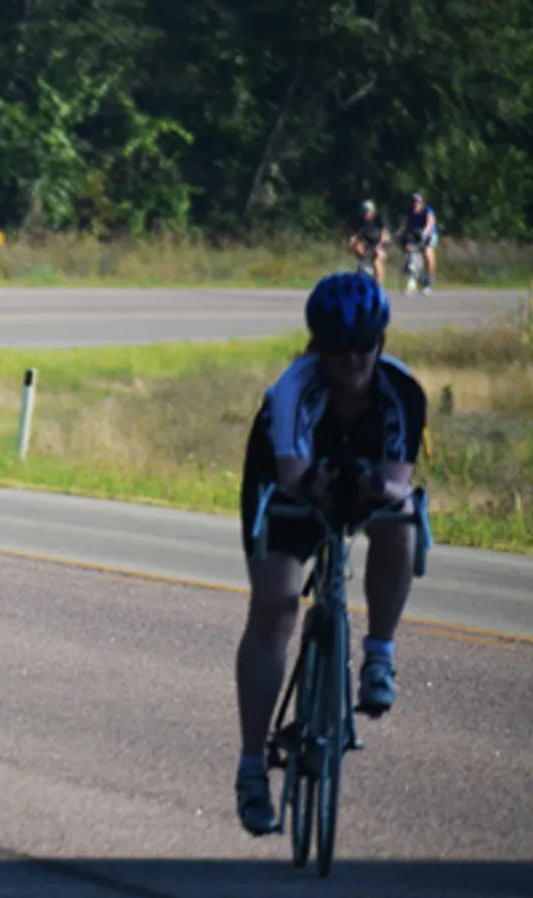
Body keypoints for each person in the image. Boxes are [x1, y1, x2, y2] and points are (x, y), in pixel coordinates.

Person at [232, 271, 424, 836]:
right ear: (319, 347)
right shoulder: (296, 389)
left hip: (360, 478)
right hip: (284, 482)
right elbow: (293, 474)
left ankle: (380, 655)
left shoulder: (401, 392)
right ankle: (250, 770)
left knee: (401, 520)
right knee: (277, 606)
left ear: (380, 342)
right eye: (338, 349)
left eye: (365, 345)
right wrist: (331, 479)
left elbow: (397, 481)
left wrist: (369, 485)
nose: (353, 360)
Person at [397, 192, 439, 292]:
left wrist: (424, 234)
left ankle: (429, 279)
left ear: (421, 202)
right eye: (413, 202)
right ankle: (410, 272)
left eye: (417, 202)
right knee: (407, 249)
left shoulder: (427, 210)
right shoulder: (408, 211)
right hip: (414, 233)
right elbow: (403, 224)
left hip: (429, 234)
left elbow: (430, 223)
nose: (415, 204)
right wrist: (400, 231)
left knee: (427, 252)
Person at [348, 199, 388, 285]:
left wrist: (380, 245)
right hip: (369, 243)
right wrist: (352, 240)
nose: (366, 214)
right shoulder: (361, 222)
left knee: (376, 261)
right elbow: (357, 234)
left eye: (368, 211)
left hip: (381, 242)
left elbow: (383, 231)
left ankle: (378, 285)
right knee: (356, 245)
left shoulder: (378, 218)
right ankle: (364, 260)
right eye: (365, 212)